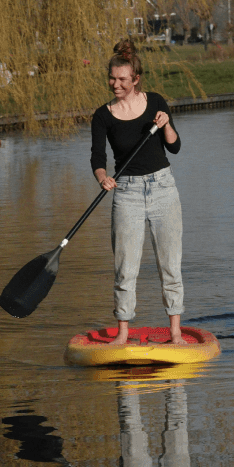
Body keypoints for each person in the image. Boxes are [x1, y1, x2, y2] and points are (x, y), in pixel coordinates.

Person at [91, 40, 185, 346]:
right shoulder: (102, 116)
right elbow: (96, 156)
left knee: (170, 266)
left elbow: (174, 146)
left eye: (121, 79)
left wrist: (166, 123)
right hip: (127, 193)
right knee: (125, 268)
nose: (115, 84)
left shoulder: (156, 102)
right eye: (112, 78)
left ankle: (174, 333)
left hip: (163, 189)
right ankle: (122, 335)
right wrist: (103, 176)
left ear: (135, 80)